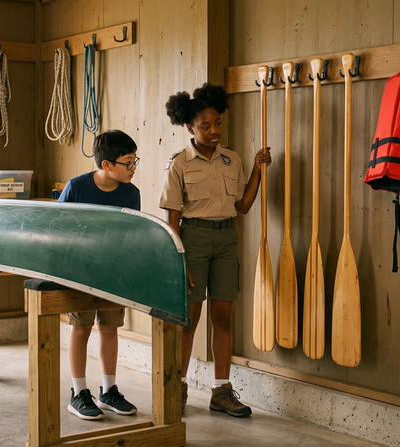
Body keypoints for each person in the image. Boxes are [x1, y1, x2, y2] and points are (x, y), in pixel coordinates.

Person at [160, 83, 271, 417]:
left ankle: (221, 390)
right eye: (205, 126)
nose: (213, 131)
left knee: (223, 317)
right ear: (190, 128)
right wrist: (180, 260)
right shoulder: (178, 163)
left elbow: (244, 205)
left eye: (217, 124)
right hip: (192, 240)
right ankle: (176, 387)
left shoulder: (231, 159)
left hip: (226, 241)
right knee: (189, 320)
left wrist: (256, 169)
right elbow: (172, 219)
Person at [58, 129, 141, 420]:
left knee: (110, 328)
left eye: (134, 161)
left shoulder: (131, 193)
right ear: (107, 165)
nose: (133, 168)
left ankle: (108, 391)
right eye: (128, 162)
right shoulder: (77, 187)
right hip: (81, 272)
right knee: (81, 328)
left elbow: (130, 236)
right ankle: (78, 393)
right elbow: (58, 228)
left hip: (113, 274)